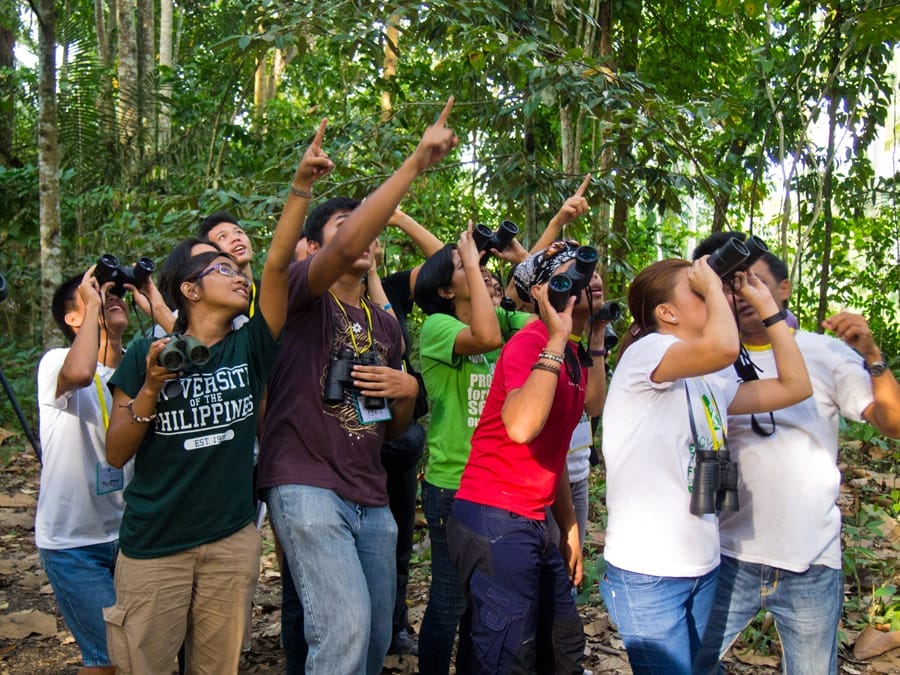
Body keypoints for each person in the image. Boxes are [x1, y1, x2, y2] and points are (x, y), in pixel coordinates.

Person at [101, 120, 332, 673]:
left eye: (237, 268)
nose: (237, 275)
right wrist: (154, 386)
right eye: (220, 268)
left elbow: (277, 267)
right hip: (154, 548)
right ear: (189, 288)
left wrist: (301, 187)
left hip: (230, 543)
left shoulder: (250, 345)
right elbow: (115, 453)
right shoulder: (145, 354)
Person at [256, 99, 458, 675]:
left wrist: (402, 393)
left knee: (370, 643)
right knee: (341, 633)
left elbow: (388, 428)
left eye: (365, 229)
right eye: (345, 226)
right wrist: (416, 162)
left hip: (371, 494)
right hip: (307, 484)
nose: (361, 237)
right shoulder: (303, 293)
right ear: (318, 249)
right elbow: (343, 248)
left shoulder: (386, 324)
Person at [688, 235, 900, 675]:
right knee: (689, 662)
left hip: (810, 558)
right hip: (724, 553)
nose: (741, 294)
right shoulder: (705, 355)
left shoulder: (825, 353)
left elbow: (892, 424)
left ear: (782, 289)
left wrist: (873, 358)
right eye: (729, 285)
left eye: (753, 283)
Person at [599, 256, 812, 675]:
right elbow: (724, 347)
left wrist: (768, 307)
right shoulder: (648, 353)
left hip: (702, 564)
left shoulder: (709, 379)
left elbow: (795, 386)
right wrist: (716, 288)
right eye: (697, 290)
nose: (714, 294)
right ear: (667, 313)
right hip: (649, 573)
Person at [446, 240, 609, 673]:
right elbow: (521, 428)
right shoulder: (532, 342)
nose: (589, 281)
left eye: (592, 273)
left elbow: (568, 433)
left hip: (530, 518)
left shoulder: (571, 353)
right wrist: (556, 337)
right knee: (508, 655)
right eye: (573, 277)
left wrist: (570, 526)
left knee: (560, 647)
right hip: (493, 515)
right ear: (544, 293)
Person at [414, 223, 532, 674]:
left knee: (483, 601)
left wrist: (521, 264)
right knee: (449, 600)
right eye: (469, 269)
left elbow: (543, 321)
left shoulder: (501, 316)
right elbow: (485, 338)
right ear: (446, 290)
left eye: (484, 267)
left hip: (495, 485)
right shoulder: (438, 328)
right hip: (453, 485)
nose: (483, 272)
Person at [35, 268, 136, 675]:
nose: (111, 298)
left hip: (129, 534)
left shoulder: (137, 369)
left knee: (129, 652)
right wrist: (94, 302)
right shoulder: (58, 362)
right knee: (110, 653)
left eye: (115, 294)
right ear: (73, 318)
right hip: (74, 542)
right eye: (97, 295)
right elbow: (79, 375)